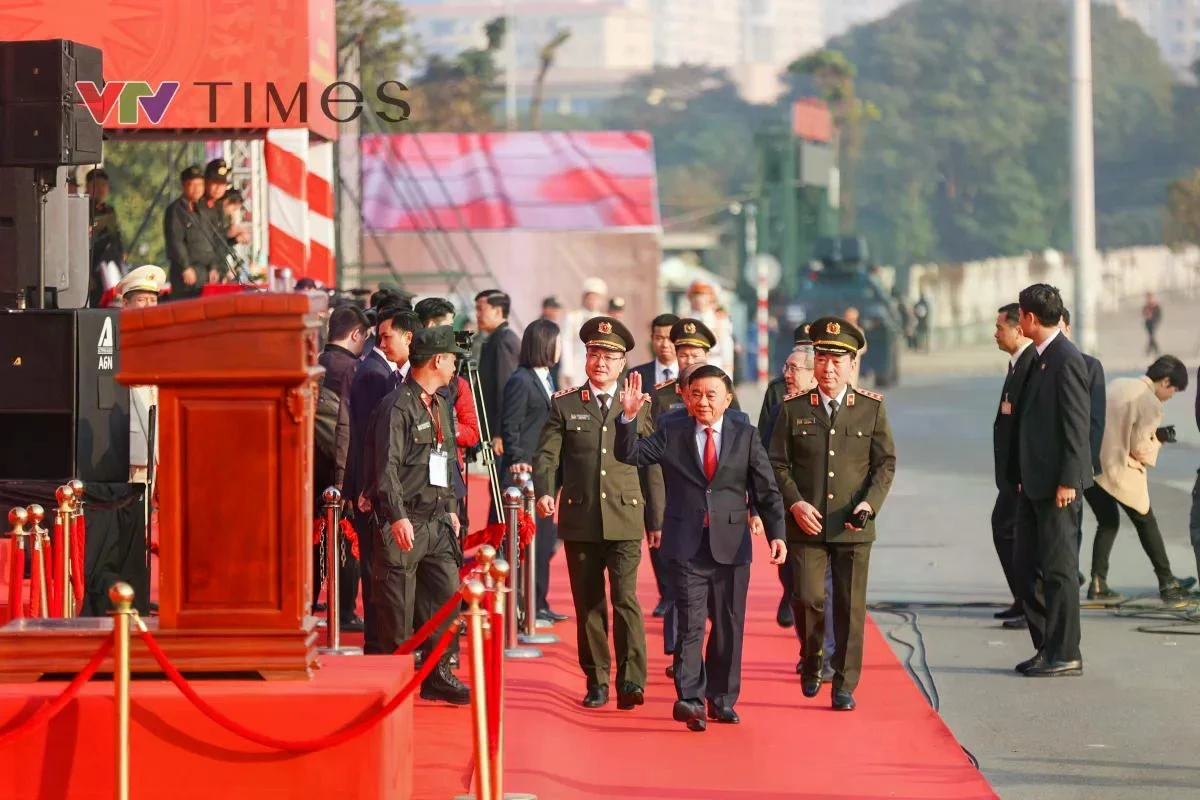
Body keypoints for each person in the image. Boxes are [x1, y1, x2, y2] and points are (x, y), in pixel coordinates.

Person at [616, 365, 786, 732]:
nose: (704, 402)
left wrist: (777, 533)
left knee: (728, 626)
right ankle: (690, 698)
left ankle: (722, 699)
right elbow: (631, 455)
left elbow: (766, 488)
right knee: (691, 624)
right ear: (685, 396)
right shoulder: (671, 428)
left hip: (730, 544)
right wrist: (628, 418)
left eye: (712, 395)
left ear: (728, 398)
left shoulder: (745, 433)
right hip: (687, 543)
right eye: (696, 394)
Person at [768, 316, 896, 711]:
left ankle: (844, 683)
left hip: (853, 526)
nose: (828, 367)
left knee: (850, 607)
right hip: (807, 524)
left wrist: (868, 504)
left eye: (838, 360)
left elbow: (885, 463)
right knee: (806, 597)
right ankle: (812, 659)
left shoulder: (870, 409)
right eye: (822, 358)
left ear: (852, 365)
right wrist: (795, 502)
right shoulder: (792, 408)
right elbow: (777, 463)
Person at [533, 316, 653, 711]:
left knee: (625, 600)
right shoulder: (566, 403)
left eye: (610, 356)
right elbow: (547, 455)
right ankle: (597, 678)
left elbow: (651, 464)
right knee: (588, 603)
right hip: (581, 518)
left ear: (623, 364)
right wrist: (545, 492)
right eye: (594, 353)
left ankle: (632, 680)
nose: (600, 362)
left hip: (624, 516)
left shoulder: (637, 403)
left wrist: (657, 520)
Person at [361, 326, 470, 704]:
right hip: (404, 522)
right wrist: (396, 516)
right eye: (453, 359)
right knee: (398, 610)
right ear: (438, 360)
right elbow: (385, 467)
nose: (456, 366)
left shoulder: (440, 403)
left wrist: (452, 509)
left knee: (446, 598)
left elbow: (446, 460)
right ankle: (395, 685)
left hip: (438, 520)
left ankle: (438, 674)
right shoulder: (397, 406)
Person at [1009, 284, 1091, 678]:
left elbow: (1076, 426)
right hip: (1034, 483)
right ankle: (1047, 644)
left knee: (1059, 572)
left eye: (1020, 315)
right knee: (1026, 565)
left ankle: (1065, 651)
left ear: (1029, 318)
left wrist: (1068, 481)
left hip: (1058, 487)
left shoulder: (1066, 359)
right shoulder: (1040, 357)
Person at [1085, 356, 1193, 603]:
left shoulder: (1118, 384)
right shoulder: (1150, 402)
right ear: (1165, 381)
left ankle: (1098, 582)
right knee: (1146, 521)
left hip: (1090, 467)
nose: (1171, 396)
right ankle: (1167, 582)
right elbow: (1140, 449)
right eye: (1173, 390)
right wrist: (1160, 439)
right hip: (1117, 469)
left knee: (1108, 521)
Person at [344, 309, 420, 652]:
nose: (380, 343)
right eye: (380, 336)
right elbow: (366, 439)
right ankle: (379, 643)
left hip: (394, 488)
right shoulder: (374, 375)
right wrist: (366, 486)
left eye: (387, 336)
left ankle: (388, 640)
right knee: (379, 572)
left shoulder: (399, 375)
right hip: (376, 490)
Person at [500, 319, 568, 623]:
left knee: (543, 542)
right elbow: (510, 424)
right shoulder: (521, 380)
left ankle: (539, 601)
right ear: (544, 344)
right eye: (557, 341)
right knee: (526, 542)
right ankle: (524, 605)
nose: (561, 348)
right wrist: (517, 457)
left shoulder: (546, 377)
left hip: (544, 471)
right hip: (523, 473)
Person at [313, 303, 370, 631]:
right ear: (355, 334)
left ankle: (311, 601)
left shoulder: (317, 363)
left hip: (314, 469)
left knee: (316, 541)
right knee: (346, 543)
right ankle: (345, 610)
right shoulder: (352, 369)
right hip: (341, 471)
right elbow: (348, 428)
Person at [759, 339, 818, 635]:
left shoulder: (825, 407)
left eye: (794, 368)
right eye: (786, 367)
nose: (787, 374)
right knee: (789, 565)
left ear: (812, 373)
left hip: (818, 502)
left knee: (815, 585)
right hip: (782, 499)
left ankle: (820, 651)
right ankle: (790, 592)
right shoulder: (777, 403)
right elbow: (762, 453)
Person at [414, 297, 482, 533]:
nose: (452, 333)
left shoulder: (457, 384)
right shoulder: (407, 375)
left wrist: (447, 426)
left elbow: (473, 433)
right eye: (448, 326)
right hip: (413, 483)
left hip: (449, 478)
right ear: (431, 326)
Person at [631, 313, 680, 617]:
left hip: (682, 466)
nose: (664, 344)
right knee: (655, 526)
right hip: (648, 465)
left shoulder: (694, 376)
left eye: (670, 338)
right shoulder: (639, 375)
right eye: (658, 337)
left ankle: (681, 591)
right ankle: (666, 592)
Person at [990, 303, 1034, 626]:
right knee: (1005, 530)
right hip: (1012, 475)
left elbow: (1028, 425)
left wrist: (1020, 471)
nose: (996, 334)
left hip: (1022, 476)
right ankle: (1022, 598)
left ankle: (1029, 602)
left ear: (1019, 330)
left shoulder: (1031, 364)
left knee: (1017, 536)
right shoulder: (1016, 364)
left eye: (1000, 328)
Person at [650, 318, 740, 420]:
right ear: (676, 356)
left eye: (695, 356)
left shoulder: (722, 386)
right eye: (683, 356)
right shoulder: (662, 393)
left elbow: (737, 423)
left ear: (707, 355)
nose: (690, 361)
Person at [476, 291, 519, 459]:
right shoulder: (496, 339)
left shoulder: (503, 341)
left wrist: (500, 433)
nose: (477, 315)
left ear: (497, 311)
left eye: (481, 309)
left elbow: (506, 388)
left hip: (500, 434)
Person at [162, 165, 216, 301]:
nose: (197, 189)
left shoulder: (204, 209)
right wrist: (185, 267)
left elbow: (212, 239)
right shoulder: (176, 210)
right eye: (192, 184)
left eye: (200, 184)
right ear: (184, 186)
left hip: (205, 271)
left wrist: (214, 267)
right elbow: (176, 241)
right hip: (186, 273)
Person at [559, 277, 608, 389]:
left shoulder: (606, 320)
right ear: (584, 298)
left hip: (599, 366)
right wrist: (568, 369)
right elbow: (566, 343)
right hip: (577, 365)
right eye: (590, 297)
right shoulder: (572, 317)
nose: (593, 301)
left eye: (596, 298)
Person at [87, 168, 125, 308]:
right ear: (89, 187)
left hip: (108, 269)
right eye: (97, 185)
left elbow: (116, 236)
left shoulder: (109, 211)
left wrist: (121, 256)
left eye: (104, 185)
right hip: (89, 269)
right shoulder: (82, 208)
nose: (101, 189)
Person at [1142, 292, 1162, 356]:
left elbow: (1158, 315)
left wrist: (1154, 319)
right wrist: (1147, 314)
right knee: (1151, 336)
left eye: (1150, 297)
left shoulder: (1156, 305)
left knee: (1151, 336)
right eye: (1148, 297)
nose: (1149, 299)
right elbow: (1144, 313)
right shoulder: (1146, 306)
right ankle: (1153, 350)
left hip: (1154, 322)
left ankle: (1151, 350)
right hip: (1148, 323)